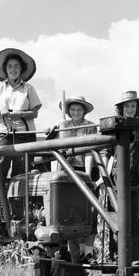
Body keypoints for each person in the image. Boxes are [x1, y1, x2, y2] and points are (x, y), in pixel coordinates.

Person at [0, 48, 42, 223]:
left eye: (16, 66)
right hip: (2, 131)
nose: (13, 69)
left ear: (21, 70)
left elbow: (34, 112)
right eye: (10, 67)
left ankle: (18, 211)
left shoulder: (29, 88)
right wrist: (1, 109)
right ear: (5, 70)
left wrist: (19, 114)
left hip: (24, 132)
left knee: (21, 171)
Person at [105, 91, 139, 262]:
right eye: (127, 106)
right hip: (117, 173)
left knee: (134, 217)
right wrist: (105, 177)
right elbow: (108, 153)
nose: (130, 109)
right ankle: (116, 255)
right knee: (116, 214)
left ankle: (133, 256)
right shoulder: (114, 128)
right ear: (121, 109)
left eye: (133, 106)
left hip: (137, 173)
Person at [53, 95, 98, 261]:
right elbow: (60, 151)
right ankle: (77, 251)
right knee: (71, 212)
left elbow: (89, 151)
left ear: (84, 111)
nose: (76, 112)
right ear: (68, 111)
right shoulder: (63, 126)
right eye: (72, 109)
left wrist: (86, 177)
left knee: (90, 210)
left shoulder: (90, 126)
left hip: (85, 168)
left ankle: (88, 251)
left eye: (79, 109)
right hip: (67, 171)